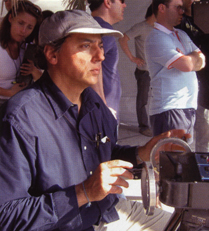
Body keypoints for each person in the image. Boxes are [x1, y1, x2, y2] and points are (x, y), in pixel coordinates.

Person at [0, 9, 190, 230]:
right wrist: (82, 193)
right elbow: (6, 215)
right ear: (52, 54)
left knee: (186, 223)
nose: (100, 56)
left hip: (108, 212)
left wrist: (143, 152)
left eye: (100, 45)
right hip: (64, 225)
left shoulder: (93, 103)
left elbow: (103, 155)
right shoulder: (20, 119)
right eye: (85, 46)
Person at [145, 0, 206, 144]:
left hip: (184, 108)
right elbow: (187, 65)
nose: (182, 11)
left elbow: (203, 60)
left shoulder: (181, 34)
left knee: (179, 160)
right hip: (170, 111)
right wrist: (191, 58)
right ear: (161, 8)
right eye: (178, 7)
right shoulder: (156, 38)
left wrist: (188, 58)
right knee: (172, 162)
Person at [176, 0, 209, 152]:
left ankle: (205, 160)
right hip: (182, 78)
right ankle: (180, 162)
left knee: (204, 122)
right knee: (182, 124)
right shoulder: (177, 19)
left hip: (204, 79)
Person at [118, 4, 155, 137]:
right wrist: (133, 58)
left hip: (158, 71)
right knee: (143, 100)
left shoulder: (160, 29)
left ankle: (157, 125)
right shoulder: (141, 27)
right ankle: (144, 126)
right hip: (144, 71)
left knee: (159, 99)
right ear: (154, 12)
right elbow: (123, 39)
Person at [87, 0, 126, 120]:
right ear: (108, 2)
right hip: (103, 110)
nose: (124, 5)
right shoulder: (104, 30)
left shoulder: (91, 26)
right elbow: (91, 65)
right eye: (122, 1)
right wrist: (103, 107)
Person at [0, 0, 42, 106]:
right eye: (20, 23)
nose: (23, 31)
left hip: (20, 103)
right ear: (10, 19)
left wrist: (33, 70)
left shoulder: (27, 49)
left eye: (29, 27)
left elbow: (42, 80)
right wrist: (9, 92)